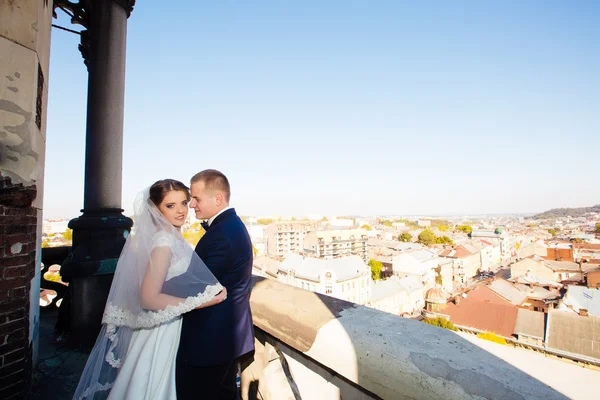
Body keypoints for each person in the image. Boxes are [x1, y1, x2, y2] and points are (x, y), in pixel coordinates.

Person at [73, 179, 227, 400]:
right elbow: (148, 298)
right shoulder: (164, 241)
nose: (181, 211)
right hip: (160, 329)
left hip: (165, 323)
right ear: (156, 208)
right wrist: (203, 301)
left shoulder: (167, 236)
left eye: (184, 203)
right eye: (170, 205)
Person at [174, 169, 255, 400]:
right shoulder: (228, 227)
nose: (191, 206)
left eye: (196, 199)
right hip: (223, 338)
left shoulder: (222, 235)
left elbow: (194, 286)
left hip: (211, 342)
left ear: (218, 199)